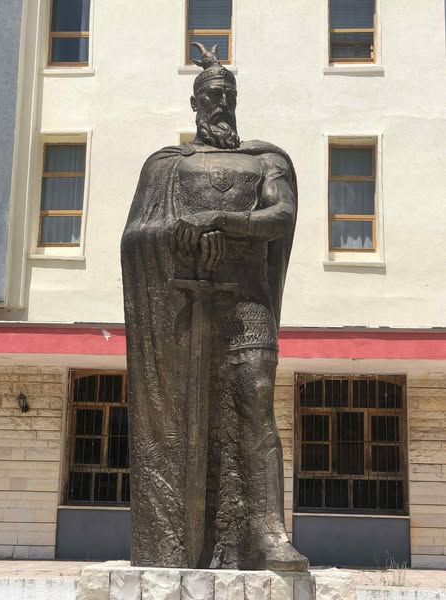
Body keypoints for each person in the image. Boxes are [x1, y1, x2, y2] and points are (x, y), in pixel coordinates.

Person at [121, 43, 308, 571]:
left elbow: (282, 216)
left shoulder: (265, 160)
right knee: (184, 414)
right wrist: (178, 238)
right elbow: (137, 237)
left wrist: (220, 222)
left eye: (228, 95)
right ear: (195, 102)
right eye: (212, 95)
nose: (221, 103)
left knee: (257, 397)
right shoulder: (167, 167)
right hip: (187, 304)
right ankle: (178, 538)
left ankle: (269, 534)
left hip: (247, 299)